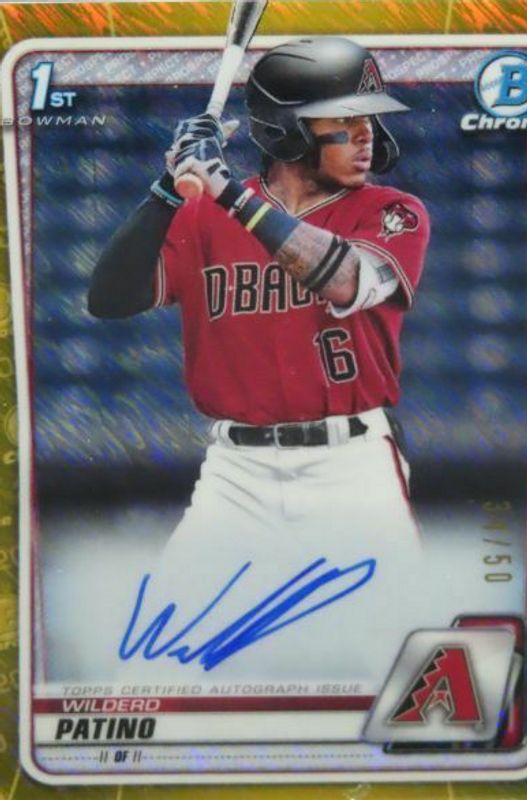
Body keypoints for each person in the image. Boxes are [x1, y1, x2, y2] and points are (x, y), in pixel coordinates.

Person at [89, 37, 431, 706]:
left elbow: (344, 279)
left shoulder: (393, 211)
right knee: (152, 674)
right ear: (285, 131)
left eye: (368, 117)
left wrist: (226, 194)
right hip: (236, 475)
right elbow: (109, 298)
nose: (368, 133)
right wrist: (167, 188)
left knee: (409, 679)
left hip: (352, 467)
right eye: (345, 119)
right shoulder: (204, 216)